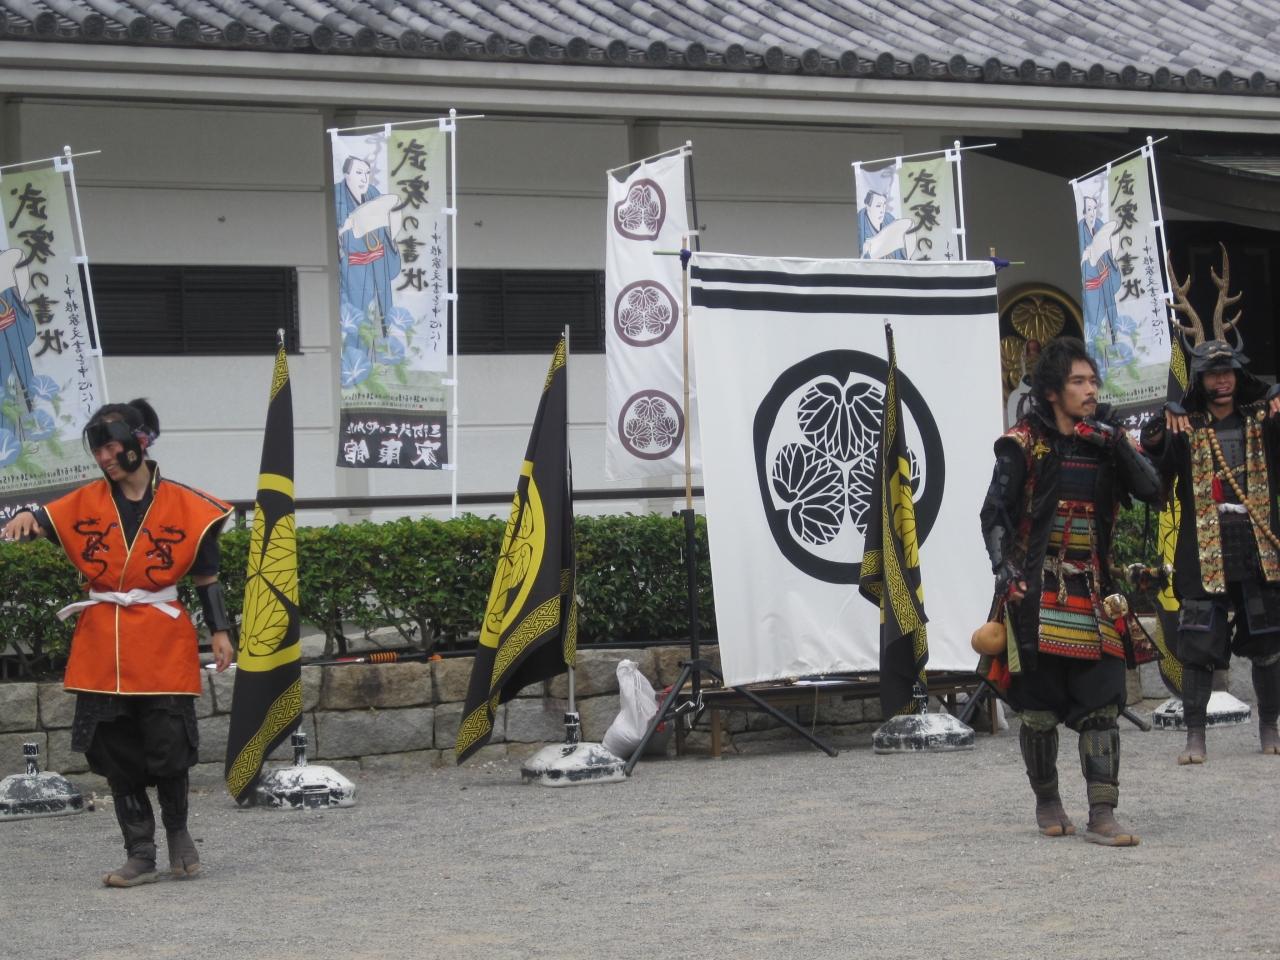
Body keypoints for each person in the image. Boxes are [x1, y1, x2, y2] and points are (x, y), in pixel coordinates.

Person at [1, 399, 234, 887]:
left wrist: (219, 631)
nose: (104, 458)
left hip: (161, 637)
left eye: (110, 447)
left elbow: (207, 577)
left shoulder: (190, 506)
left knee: (169, 742)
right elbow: (43, 516)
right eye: (97, 450)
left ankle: (179, 836)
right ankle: (140, 852)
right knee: (115, 750)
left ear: (139, 441)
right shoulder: (86, 501)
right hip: (102, 638)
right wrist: (25, 515)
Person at [980, 337, 1161, 845]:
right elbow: (993, 514)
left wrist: (1117, 442)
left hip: (1095, 589)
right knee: (1037, 710)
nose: (1090, 390)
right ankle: (1048, 802)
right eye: (1078, 382)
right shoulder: (1021, 443)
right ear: (1052, 391)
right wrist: (1005, 571)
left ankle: (1102, 813)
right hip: (1034, 591)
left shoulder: (1105, 442)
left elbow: (1152, 489)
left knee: (1103, 705)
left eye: (1093, 381)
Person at [1139, 259, 1280, 764]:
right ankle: (1195, 735)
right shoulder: (1185, 427)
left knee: (1268, 643)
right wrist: (1164, 418)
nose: (1221, 381)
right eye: (1212, 374)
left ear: (1238, 375)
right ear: (1200, 379)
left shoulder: (1262, 421)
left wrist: (1275, 394)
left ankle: (1270, 728)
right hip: (1203, 550)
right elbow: (1150, 459)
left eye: (1227, 372)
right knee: (1198, 644)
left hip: (1258, 546)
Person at [335, 155, 402, 332]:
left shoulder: (373, 193)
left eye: (367, 173)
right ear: (346, 175)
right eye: (358, 173)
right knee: (358, 321)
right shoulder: (337, 197)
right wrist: (344, 228)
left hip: (378, 262)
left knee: (382, 318)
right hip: (353, 267)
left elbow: (386, 231)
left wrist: (391, 230)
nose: (364, 178)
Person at [1077, 195, 1122, 347]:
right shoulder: (1081, 231)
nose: (1092, 212)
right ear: (1084, 212)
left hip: (1106, 279)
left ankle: (1117, 344)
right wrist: (1090, 257)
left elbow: (1109, 250)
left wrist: (1111, 249)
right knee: (1096, 324)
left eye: (1094, 208)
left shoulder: (1100, 225)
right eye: (1089, 209)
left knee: (1112, 318)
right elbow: (1084, 262)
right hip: (1092, 286)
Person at [858, 189, 907, 260]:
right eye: (878, 206)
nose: (882, 210)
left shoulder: (890, 220)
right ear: (868, 207)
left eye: (884, 205)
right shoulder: (861, 223)